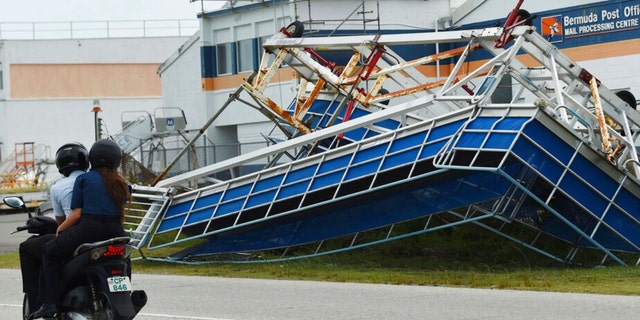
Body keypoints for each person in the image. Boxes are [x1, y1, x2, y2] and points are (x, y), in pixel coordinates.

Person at [32, 139, 130, 319]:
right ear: (116, 160)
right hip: (117, 230)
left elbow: (77, 214)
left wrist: (60, 229)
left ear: (92, 158)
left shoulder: (84, 179)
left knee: (49, 251)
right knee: (123, 257)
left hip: (89, 228)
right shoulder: (122, 183)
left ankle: (49, 303)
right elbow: (121, 211)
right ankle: (126, 294)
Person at [18, 142, 90, 313]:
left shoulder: (59, 186)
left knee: (28, 248)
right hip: (106, 232)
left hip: (75, 234)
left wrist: (60, 228)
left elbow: (62, 220)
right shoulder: (96, 180)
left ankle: (39, 303)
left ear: (61, 164)